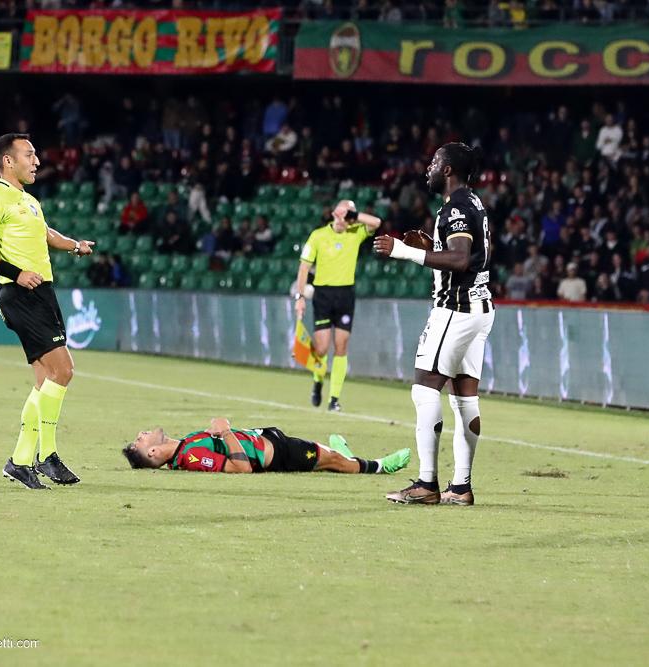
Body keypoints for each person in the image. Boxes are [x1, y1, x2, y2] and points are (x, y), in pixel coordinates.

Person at [0, 133, 96, 490]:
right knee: (64, 371)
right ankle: (46, 455)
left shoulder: (28, 200)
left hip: (41, 293)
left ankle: (20, 461)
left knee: (45, 381)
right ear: (8, 161)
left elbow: (46, 233)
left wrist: (75, 246)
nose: (36, 161)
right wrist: (17, 273)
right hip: (20, 293)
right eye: (29, 154)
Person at [374, 142, 494, 506]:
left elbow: (459, 259)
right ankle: (461, 487)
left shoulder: (456, 206)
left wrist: (404, 251)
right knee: (464, 397)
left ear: (447, 170)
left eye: (434, 162)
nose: (429, 167)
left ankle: (427, 484)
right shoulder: (474, 203)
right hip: (480, 307)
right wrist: (431, 246)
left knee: (425, 388)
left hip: (455, 308)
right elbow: (468, 255)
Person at [294, 200, 381, 412]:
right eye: (342, 214)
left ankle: (334, 399)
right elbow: (304, 268)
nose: (344, 219)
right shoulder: (318, 235)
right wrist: (300, 296)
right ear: (334, 213)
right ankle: (317, 381)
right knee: (322, 348)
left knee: (341, 346)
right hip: (323, 294)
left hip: (345, 294)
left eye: (348, 215)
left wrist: (354, 214)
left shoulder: (355, 232)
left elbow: (377, 222)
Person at [122, 417, 411, 475]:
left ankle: (346, 454)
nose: (141, 432)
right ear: (151, 453)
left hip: (268, 439)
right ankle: (378, 467)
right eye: (140, 440)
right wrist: (225, 433)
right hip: (278, 455)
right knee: (334, 460)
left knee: (326, 452)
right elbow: (240, 467)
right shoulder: (192, 456)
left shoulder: (185, 447)